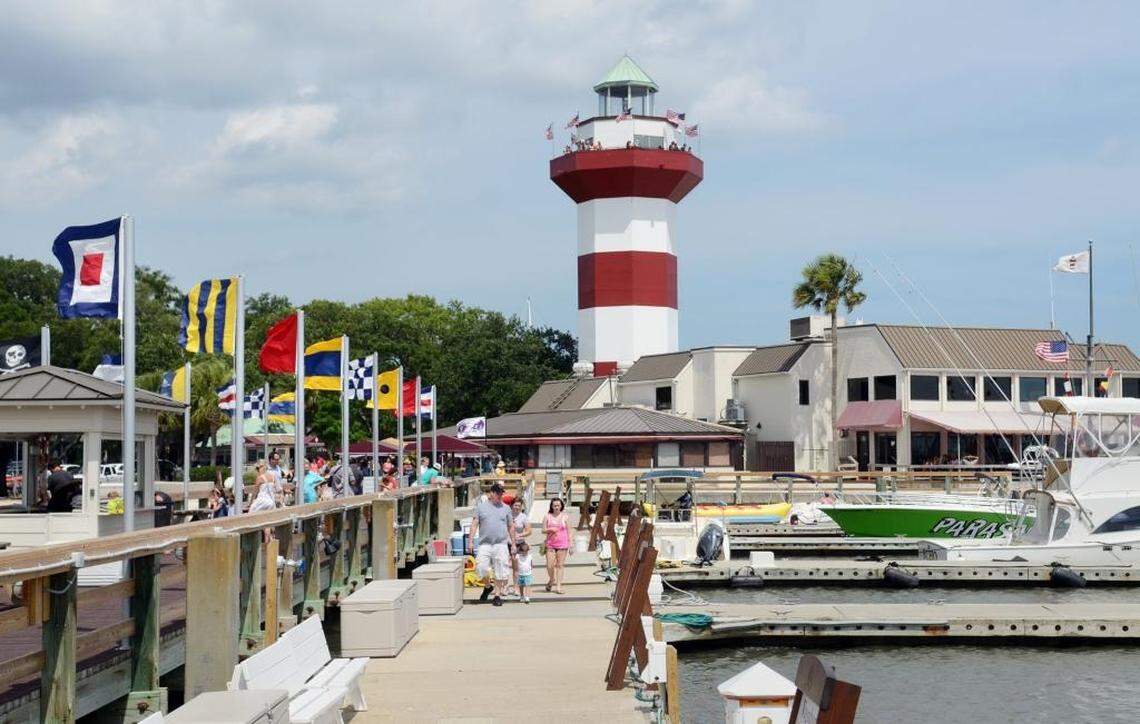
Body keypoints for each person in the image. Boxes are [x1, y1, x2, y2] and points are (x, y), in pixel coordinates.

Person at [467, 482, 515, 607]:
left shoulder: (506, 508)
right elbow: (474, 524)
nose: (500, 496)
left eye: (501, 493)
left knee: (500, 570)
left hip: (501, 543)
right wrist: (470, 541)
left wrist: (513, 544)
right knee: (480, 568)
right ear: (492, 493)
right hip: (485, 543)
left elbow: (511, 526)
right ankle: (488, 586)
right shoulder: (481, 507)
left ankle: (497, 595)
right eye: (498, 493)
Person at [543, 498, 570, 594]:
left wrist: (571, 544)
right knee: (549, 565)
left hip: (563, 544)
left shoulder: (565, 517)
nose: (557, 507)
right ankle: (552, 579)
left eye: (558, 505)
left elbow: (569, 531)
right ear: (551, 506)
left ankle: (558, 586)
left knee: (560, 565)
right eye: (555, 505)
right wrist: (550, 529)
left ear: (561, 506)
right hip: (550, 544)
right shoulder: (547, 516)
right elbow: (543, 530)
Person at [509, 497, 532, 595]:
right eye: (515, 505)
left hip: (520, 544)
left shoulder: (523, 517)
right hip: (508, 543)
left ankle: (516, 588)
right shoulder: (508, 515)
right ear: (511, 506)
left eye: (519, 505)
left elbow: (529, 531)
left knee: (517, 567)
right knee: (506, 566)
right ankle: (505, 587)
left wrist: (521, 534)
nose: (517, 507)